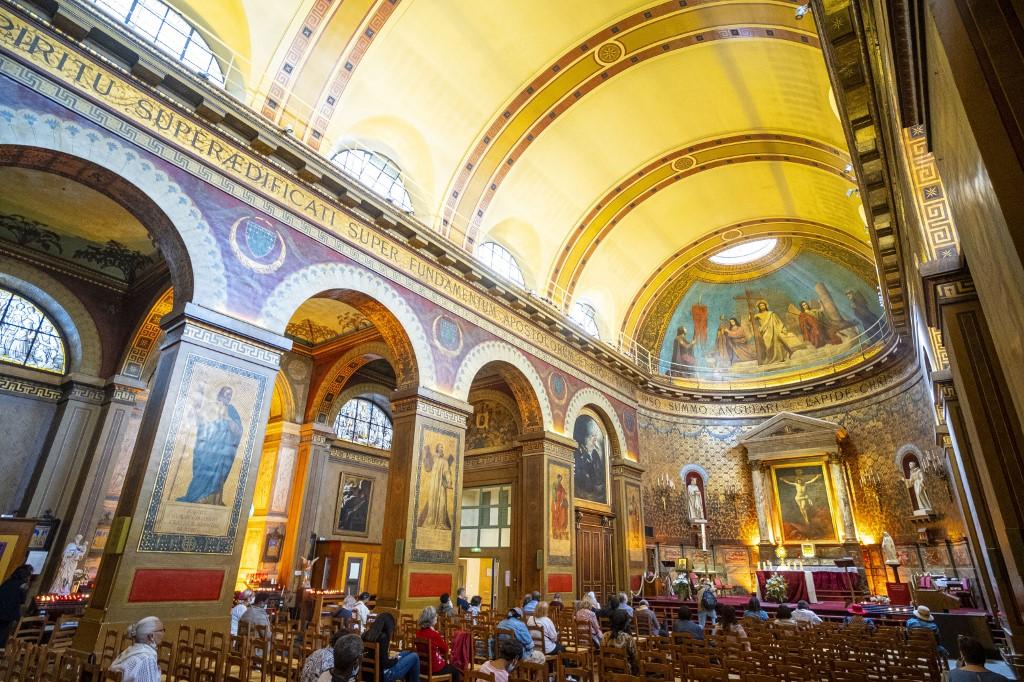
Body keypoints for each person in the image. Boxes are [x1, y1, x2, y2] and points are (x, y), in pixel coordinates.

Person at [362, 612, 419, 682]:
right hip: (383, 675)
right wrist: (396, 660)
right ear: (388, 626)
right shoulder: (383, 637)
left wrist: (393, 658)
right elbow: (385, 663)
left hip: (366, 675)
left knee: (407, 653)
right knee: (414, 656)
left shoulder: (364, 634)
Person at [109, 617, 165, 682]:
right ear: (151, 636)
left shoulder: (129, 651)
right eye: (161, 630)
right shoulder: (147, 659)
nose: (163, 633)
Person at [415, 606, 461, 682]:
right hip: (434, 668)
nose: (436, 617)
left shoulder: (418, 633)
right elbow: (445, 649)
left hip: (421, 668)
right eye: (435, 616)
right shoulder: (433, 634)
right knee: (455, 672)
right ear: (431, 619)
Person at [753, 300, 795, 365]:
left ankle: (780, 357)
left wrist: (782, 329)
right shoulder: (758, 315)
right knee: (768, 345)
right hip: (765, 331)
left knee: (777, 343)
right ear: (758, 307)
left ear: (766, 306)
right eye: (760, 306)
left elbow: (778, 321)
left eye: (763, 305)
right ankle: (770, 358)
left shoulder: (771, 313)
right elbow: (751, 320)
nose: (762, 306)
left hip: (774, 330)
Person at [0, 564, 31, 648]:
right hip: (8, 614)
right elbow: (22, 600)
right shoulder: (23, 585)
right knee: (2, 634)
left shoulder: (8, 581)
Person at [601, 609, 638, 674]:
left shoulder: (605, 636)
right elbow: (635, 657)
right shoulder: (628, 638)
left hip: (608, 670)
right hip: (624, 673)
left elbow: (602, 655)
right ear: (625, 622)